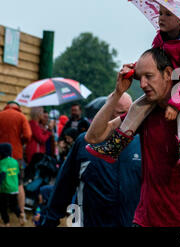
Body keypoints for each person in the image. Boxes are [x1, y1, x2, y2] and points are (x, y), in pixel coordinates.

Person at [84, 47, 180, 227]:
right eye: (140, 78)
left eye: (149, 76)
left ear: (168, 73)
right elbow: (93, 137)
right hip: (143, 222)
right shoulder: (145, 111)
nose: (143, 84)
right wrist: (117, 94)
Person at [87, 4, 180, 178]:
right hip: (173, 83)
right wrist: (135, 70)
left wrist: (175, 104)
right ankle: (115, 146)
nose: (161, 17)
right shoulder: (161, 38)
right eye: (160, 13)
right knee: (137, 105)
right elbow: (153, 60)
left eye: (168, 14)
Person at [40, 92, 142, 227]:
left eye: (130, 112)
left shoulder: (142, 142)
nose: (126, 118)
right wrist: (50, 220)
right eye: (121, 113)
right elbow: (64, 185)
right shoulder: (85, 142)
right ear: (107, 112)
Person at [0, 101, 32, 221]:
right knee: (19, 183)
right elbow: (28, 135)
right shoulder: (21, 116)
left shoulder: (0, 115)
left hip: (0, 157)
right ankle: (21, 214)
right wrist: (21, 142)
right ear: (17, 107)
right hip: (16, 155)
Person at [0, 143, 22, 227]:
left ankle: (7, 223)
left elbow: (2, 174)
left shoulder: (2, 162)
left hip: (4, 189)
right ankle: (21, 216)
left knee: (3, 207)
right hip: (14, 188)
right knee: (14, 205)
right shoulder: (15, 161)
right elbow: (18, 174)